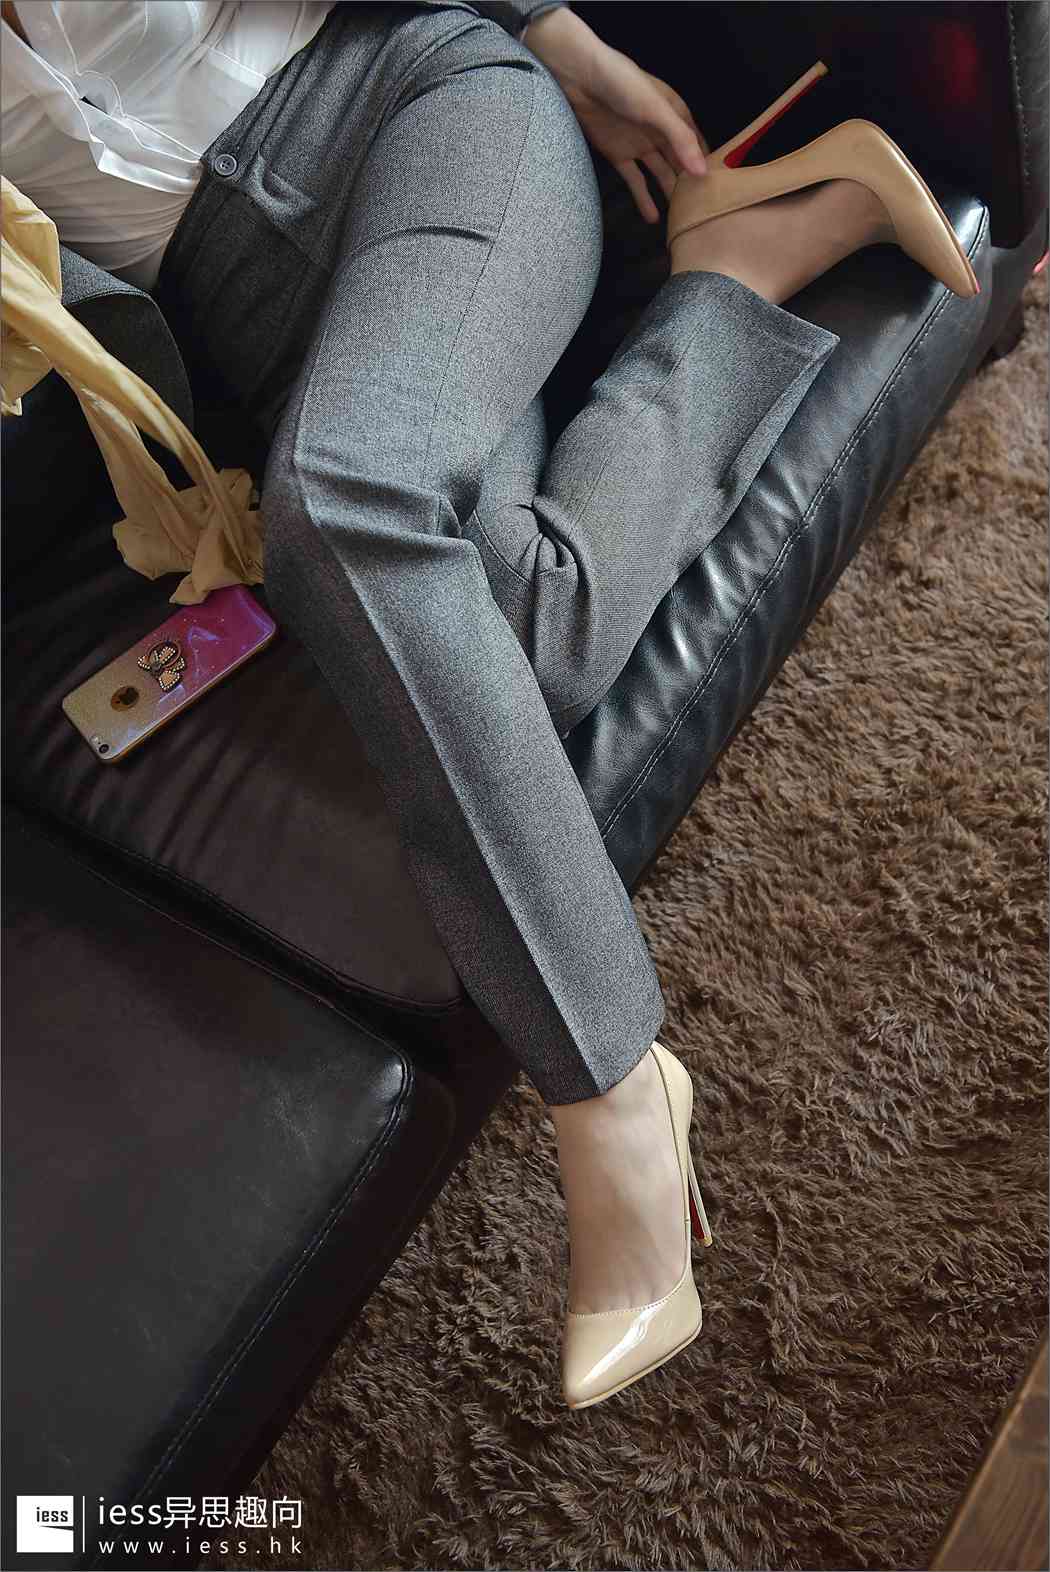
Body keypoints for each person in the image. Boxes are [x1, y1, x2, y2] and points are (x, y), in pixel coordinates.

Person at [0, 0, 977, 1409]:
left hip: (424, 123)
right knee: (518, 633)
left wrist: (557, 38)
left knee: (341, 498)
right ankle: (735, 278)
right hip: (259, 329)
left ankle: (612, 1089)